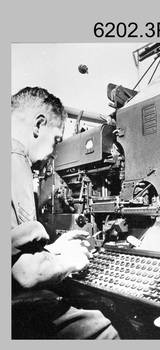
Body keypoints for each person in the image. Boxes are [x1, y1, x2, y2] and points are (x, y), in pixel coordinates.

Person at [11, 86, 120, 339]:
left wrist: (52, 250)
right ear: (39, 125)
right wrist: (68, 261)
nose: (52, 153)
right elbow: (26, 274)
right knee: (103, 330)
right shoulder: (14, 158)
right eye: (56, 141)